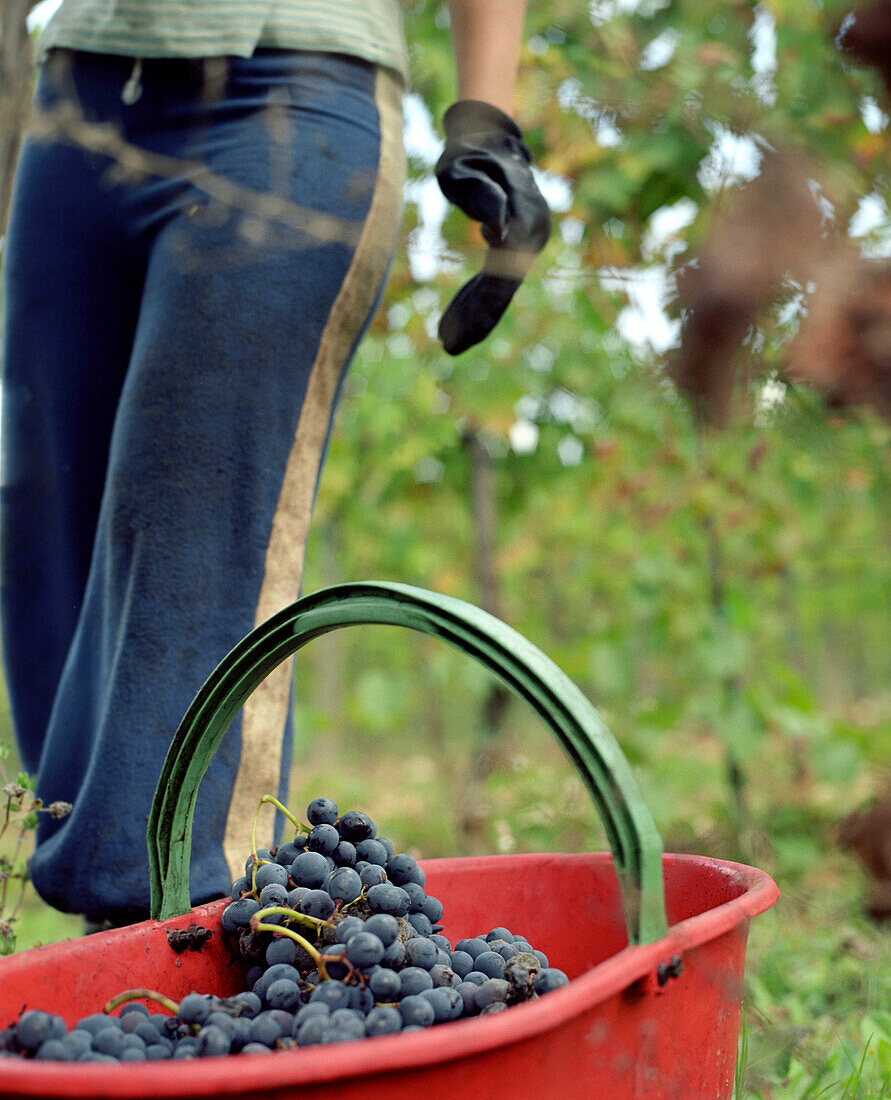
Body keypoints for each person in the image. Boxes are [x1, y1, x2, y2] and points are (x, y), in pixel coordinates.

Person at [0, 0, 551, 926]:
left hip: (292, 86)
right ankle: (111, 950)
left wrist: (486, 120)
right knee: (42, 539)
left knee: (195, 547)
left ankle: (176, 956)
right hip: (79, 90)